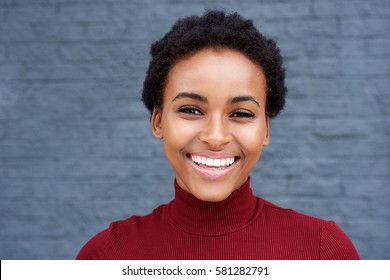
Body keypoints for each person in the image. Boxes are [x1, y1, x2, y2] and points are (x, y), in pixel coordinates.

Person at [77, 10, 359, 260]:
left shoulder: (323, 252)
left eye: (241, 113)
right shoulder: (106, 257)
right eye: (191, 110)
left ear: (266, 129)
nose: (215, 137)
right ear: (158, 121)